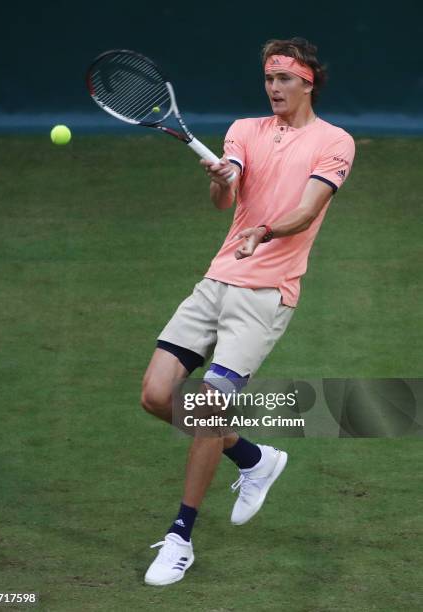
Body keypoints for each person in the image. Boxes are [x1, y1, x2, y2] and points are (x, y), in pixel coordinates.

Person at [141, 37, 355, 586]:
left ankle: (180, 537)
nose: (274, 88)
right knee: (157, 396)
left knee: (209, 407)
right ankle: (253, 458)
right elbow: (226, 200)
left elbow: (306, 212)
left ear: (309, 81)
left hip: (266, 293)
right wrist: (221, 182)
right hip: (217, 280)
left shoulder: (335, 142)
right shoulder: (243, 130)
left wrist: (263, 230)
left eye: (284, 78)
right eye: (268, 78)